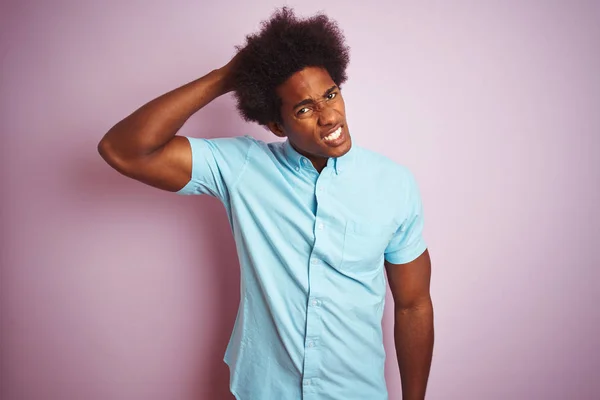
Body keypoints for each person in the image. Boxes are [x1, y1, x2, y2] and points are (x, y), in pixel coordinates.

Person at [98, 7, 433, 400]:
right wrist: (226, 77)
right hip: (264, 391)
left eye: (331, 95)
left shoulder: (393, 184)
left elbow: (413, 305)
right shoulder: (242, 166)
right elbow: (123, 150)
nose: (329, 116)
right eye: (304, 109)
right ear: (277, 126)